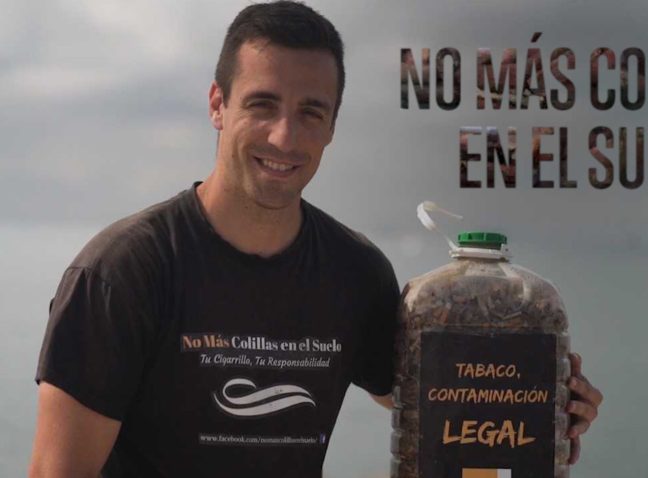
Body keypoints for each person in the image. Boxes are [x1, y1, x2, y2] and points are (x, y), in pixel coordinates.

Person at [28, 2, 603, 477]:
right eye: (262, 104)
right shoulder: (122, 273)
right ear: (217, 105)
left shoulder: (355, 272)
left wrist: (542, 402)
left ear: (332, 127)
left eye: (311, 112)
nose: (285, 136)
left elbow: (436, 398)